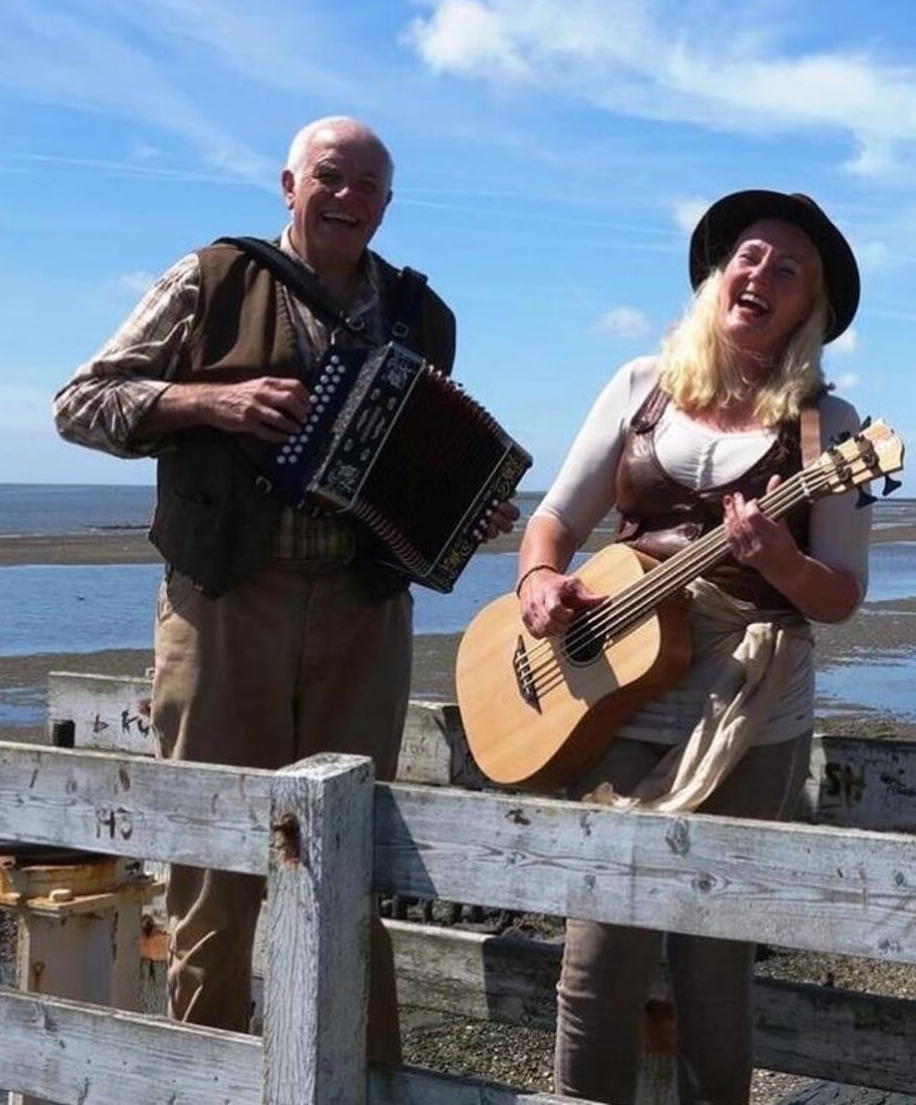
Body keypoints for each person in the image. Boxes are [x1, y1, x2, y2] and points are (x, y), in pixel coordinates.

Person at [53, 115, 514, 1062]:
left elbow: (411, 461)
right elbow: (80, 402)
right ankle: (207, 1073)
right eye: (330, 178)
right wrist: (207, 401)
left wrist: (460, 508)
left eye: (367, 187)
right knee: (214, 860)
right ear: (289, 184)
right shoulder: (213, 278)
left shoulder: (425, 316)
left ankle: (358, 1075)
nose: (346, 198)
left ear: (387, 207)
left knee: (353, 862)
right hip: (226, 602)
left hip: (362, 612)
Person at [515, 189, 870, 1102]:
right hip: (615, 690)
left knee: (714, 962)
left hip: (751, 713)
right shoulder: (640, 384)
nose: (763, 276)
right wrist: (538, 581)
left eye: (789, 270)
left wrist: (783, 562)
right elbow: (554, 519)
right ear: (719, 276)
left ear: (808, 310)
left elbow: (839, 596)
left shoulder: (832, 428)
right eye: (750, 257)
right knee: (597, 958)